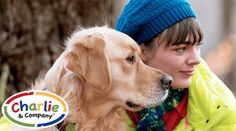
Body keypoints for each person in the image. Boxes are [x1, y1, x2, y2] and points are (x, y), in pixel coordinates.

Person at [116, 0, 236, 131]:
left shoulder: (220, 112)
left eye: (197, 47)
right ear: (142, 51)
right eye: (181, 49)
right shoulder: (105, 105)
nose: (196, 59)